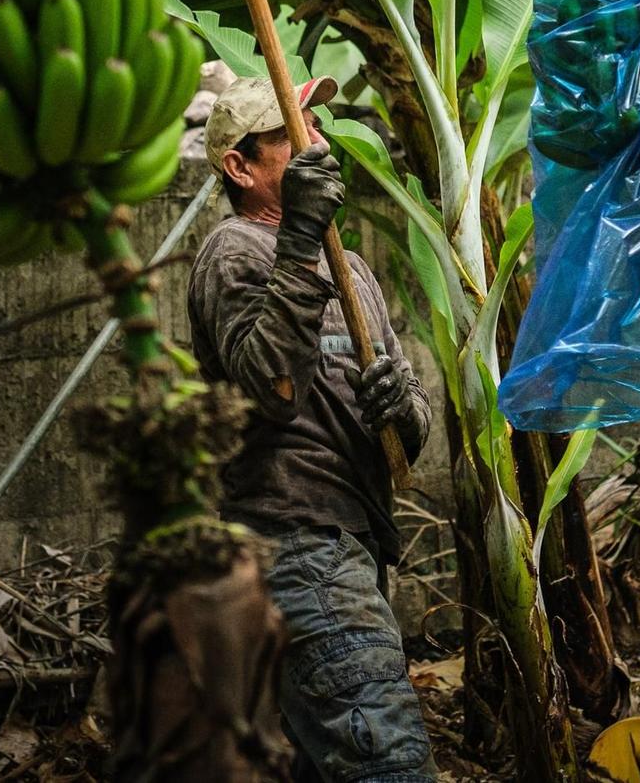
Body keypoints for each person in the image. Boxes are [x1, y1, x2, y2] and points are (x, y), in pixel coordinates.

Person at [187, 71, 437, 783]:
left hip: (353, 547)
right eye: (291, 137)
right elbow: (270, 385)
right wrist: (298, 233)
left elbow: (409, 416)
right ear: (240, 165)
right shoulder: (234, 250)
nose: (317, 144)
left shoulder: (352, 267)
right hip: (295, 546)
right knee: (388, 760)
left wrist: (402, 407)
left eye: (316, 129)